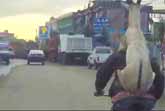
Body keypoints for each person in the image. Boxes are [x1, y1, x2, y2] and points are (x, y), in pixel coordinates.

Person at [94, 35, 164, 111]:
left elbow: (103, 73)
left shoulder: (117, 57)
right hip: (147, 102)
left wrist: (99, 88)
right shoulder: (149, 59)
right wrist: (155, 95)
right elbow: (160, 79)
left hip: (122, 101)